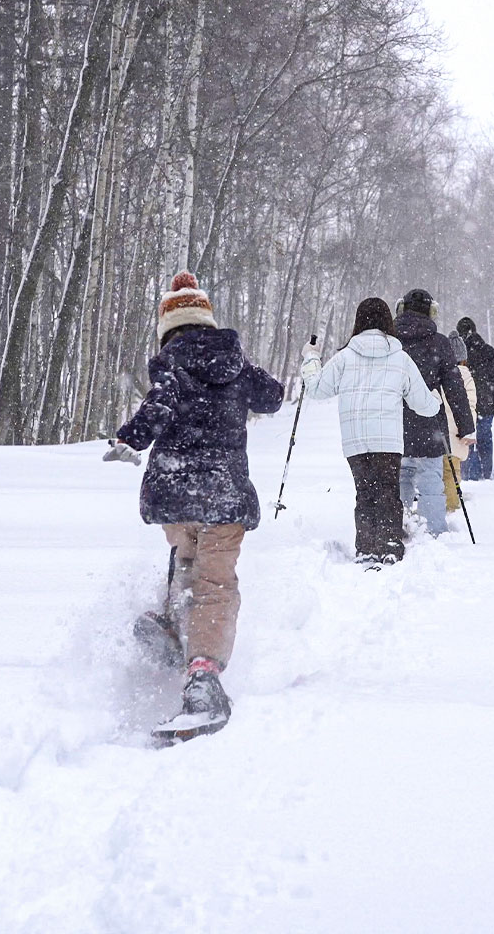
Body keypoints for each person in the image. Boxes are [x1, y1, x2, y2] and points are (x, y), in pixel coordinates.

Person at [104, 270, 283, 742]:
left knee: (186, 558)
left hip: (177, 490)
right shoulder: (236, 363)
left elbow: (159, 407)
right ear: (206, 318)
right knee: (215, 582)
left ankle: (172, 622)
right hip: (223, 491)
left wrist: (129, 439)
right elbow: (274, 397)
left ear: (168, 326)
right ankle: (203, 675)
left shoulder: (170, 363)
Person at [300, 297, 440, 565]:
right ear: (388, 321)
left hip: (355, 439)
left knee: (364, 492)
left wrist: (311, 357)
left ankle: (366, 547)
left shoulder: (345, 358)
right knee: (388, 491)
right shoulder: (400, 358)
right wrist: (436, 401)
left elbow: (316, 389)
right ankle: (389, 545)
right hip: (387, 440)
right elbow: (423, 404)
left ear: (359, 321)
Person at [394, 289, 476, 536]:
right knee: (431, 476)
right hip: (430, 424)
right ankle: (434, 531)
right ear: (431, 312)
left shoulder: (391, 341)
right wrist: (466, 426)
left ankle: (401, 523)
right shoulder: (439, 342)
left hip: (395, 422)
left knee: (402, 474)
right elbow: (454, 387)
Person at [456, 316, 494, 480]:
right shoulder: (488, 350)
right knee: (485, 438)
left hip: (466, 404)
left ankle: (469, 475)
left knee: (467, 439)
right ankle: (486, 472)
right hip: (487, 403)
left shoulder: (459, 354)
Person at [442, 331, 477, 513]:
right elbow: (471, 405)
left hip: (440, 431)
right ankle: (452, 505)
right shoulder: (467, 377)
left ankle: (437, 504)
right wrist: (470, 430)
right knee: (452, 472)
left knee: (437, 473)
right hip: (458, 431)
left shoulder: (440, 373)